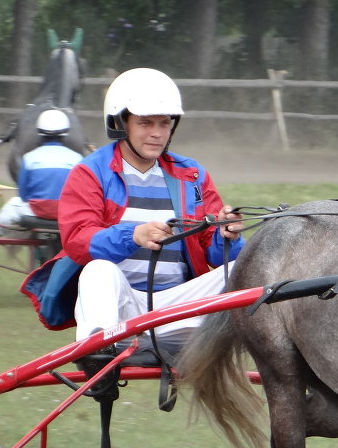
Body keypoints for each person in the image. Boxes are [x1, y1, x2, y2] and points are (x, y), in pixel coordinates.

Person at [21, 68, 244, 359]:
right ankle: (98, 354)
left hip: (178, 306)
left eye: (164, 123)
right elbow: (78, 242)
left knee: (243, 268)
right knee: (98, 270)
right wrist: (134, 235)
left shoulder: (192, 175)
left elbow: (214, 253)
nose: (156, 133)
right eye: (145, 123)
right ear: (120, 122)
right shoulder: (90, 172)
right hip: (122, 307)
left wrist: (227, 235)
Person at [0, 108, 83, 237]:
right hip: (68, 213)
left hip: (36, 212)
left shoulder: (29, 158)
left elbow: (23, 194)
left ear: (39, 132)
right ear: (66, 132)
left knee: (13, 204)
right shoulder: (78, 159)